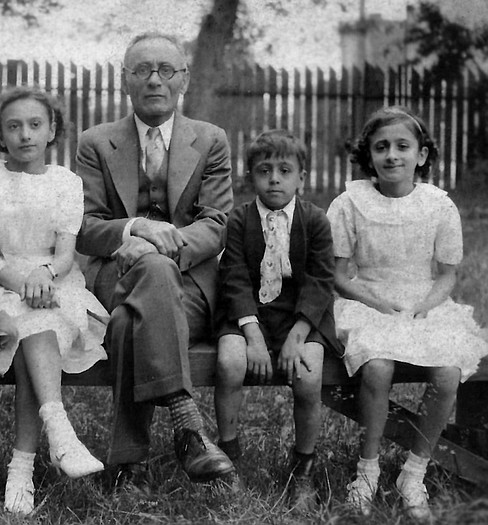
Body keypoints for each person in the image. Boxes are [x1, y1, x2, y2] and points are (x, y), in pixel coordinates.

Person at [75, 32, 235, 485]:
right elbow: (84, 227)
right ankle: (188, 427)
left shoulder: (210, 140)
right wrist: (135, 228)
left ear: (183, 78)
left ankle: (129, 463)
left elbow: (217, 222)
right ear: (124, 79)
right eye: (142, 70)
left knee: (129, 324)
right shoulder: (96, 142)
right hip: (115, 278)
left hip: (190, 290)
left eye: (166, 70)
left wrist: (159, 247)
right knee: (145, 279)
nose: (154, 80)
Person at [328, 106, 488, 519]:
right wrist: (378, 304)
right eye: (382, 148)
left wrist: (423, 307)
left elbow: (447, 276)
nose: (392, 155)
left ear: (421, 155)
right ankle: (368, 468)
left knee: (448, 373)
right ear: (369, 157)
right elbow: (339, 275)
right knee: (378, 368)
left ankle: (413, 471)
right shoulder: (350, 203)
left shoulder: (438, 205)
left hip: (423, 302)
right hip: (366, 299)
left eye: (403, 146)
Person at [0, 86, 109, 516]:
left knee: (37, 326)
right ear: (0, 134)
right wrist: (22, 279)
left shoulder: (66, 183)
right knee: (29, 320)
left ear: (52, 131)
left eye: (35, 125)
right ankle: (57, 436)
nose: (25, 134)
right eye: (13, 126)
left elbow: (65, 255)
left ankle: (22, 467)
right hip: (6, 281)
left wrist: (44, 276)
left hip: (56, 281)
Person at [213, 130, 343, 507]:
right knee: (230, 361)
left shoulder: (315, 220)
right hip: (246, 315)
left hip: (300, 316)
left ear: (301, 177)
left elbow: (320, 281)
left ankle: (303, 466)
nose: (274, 178)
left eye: (285, 170)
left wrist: (299, 334)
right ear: (250, 176)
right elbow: (234, 278)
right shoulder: (238, 220)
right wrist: (251, 336)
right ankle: (228, 459)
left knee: (308, 375)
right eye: (264, 170)